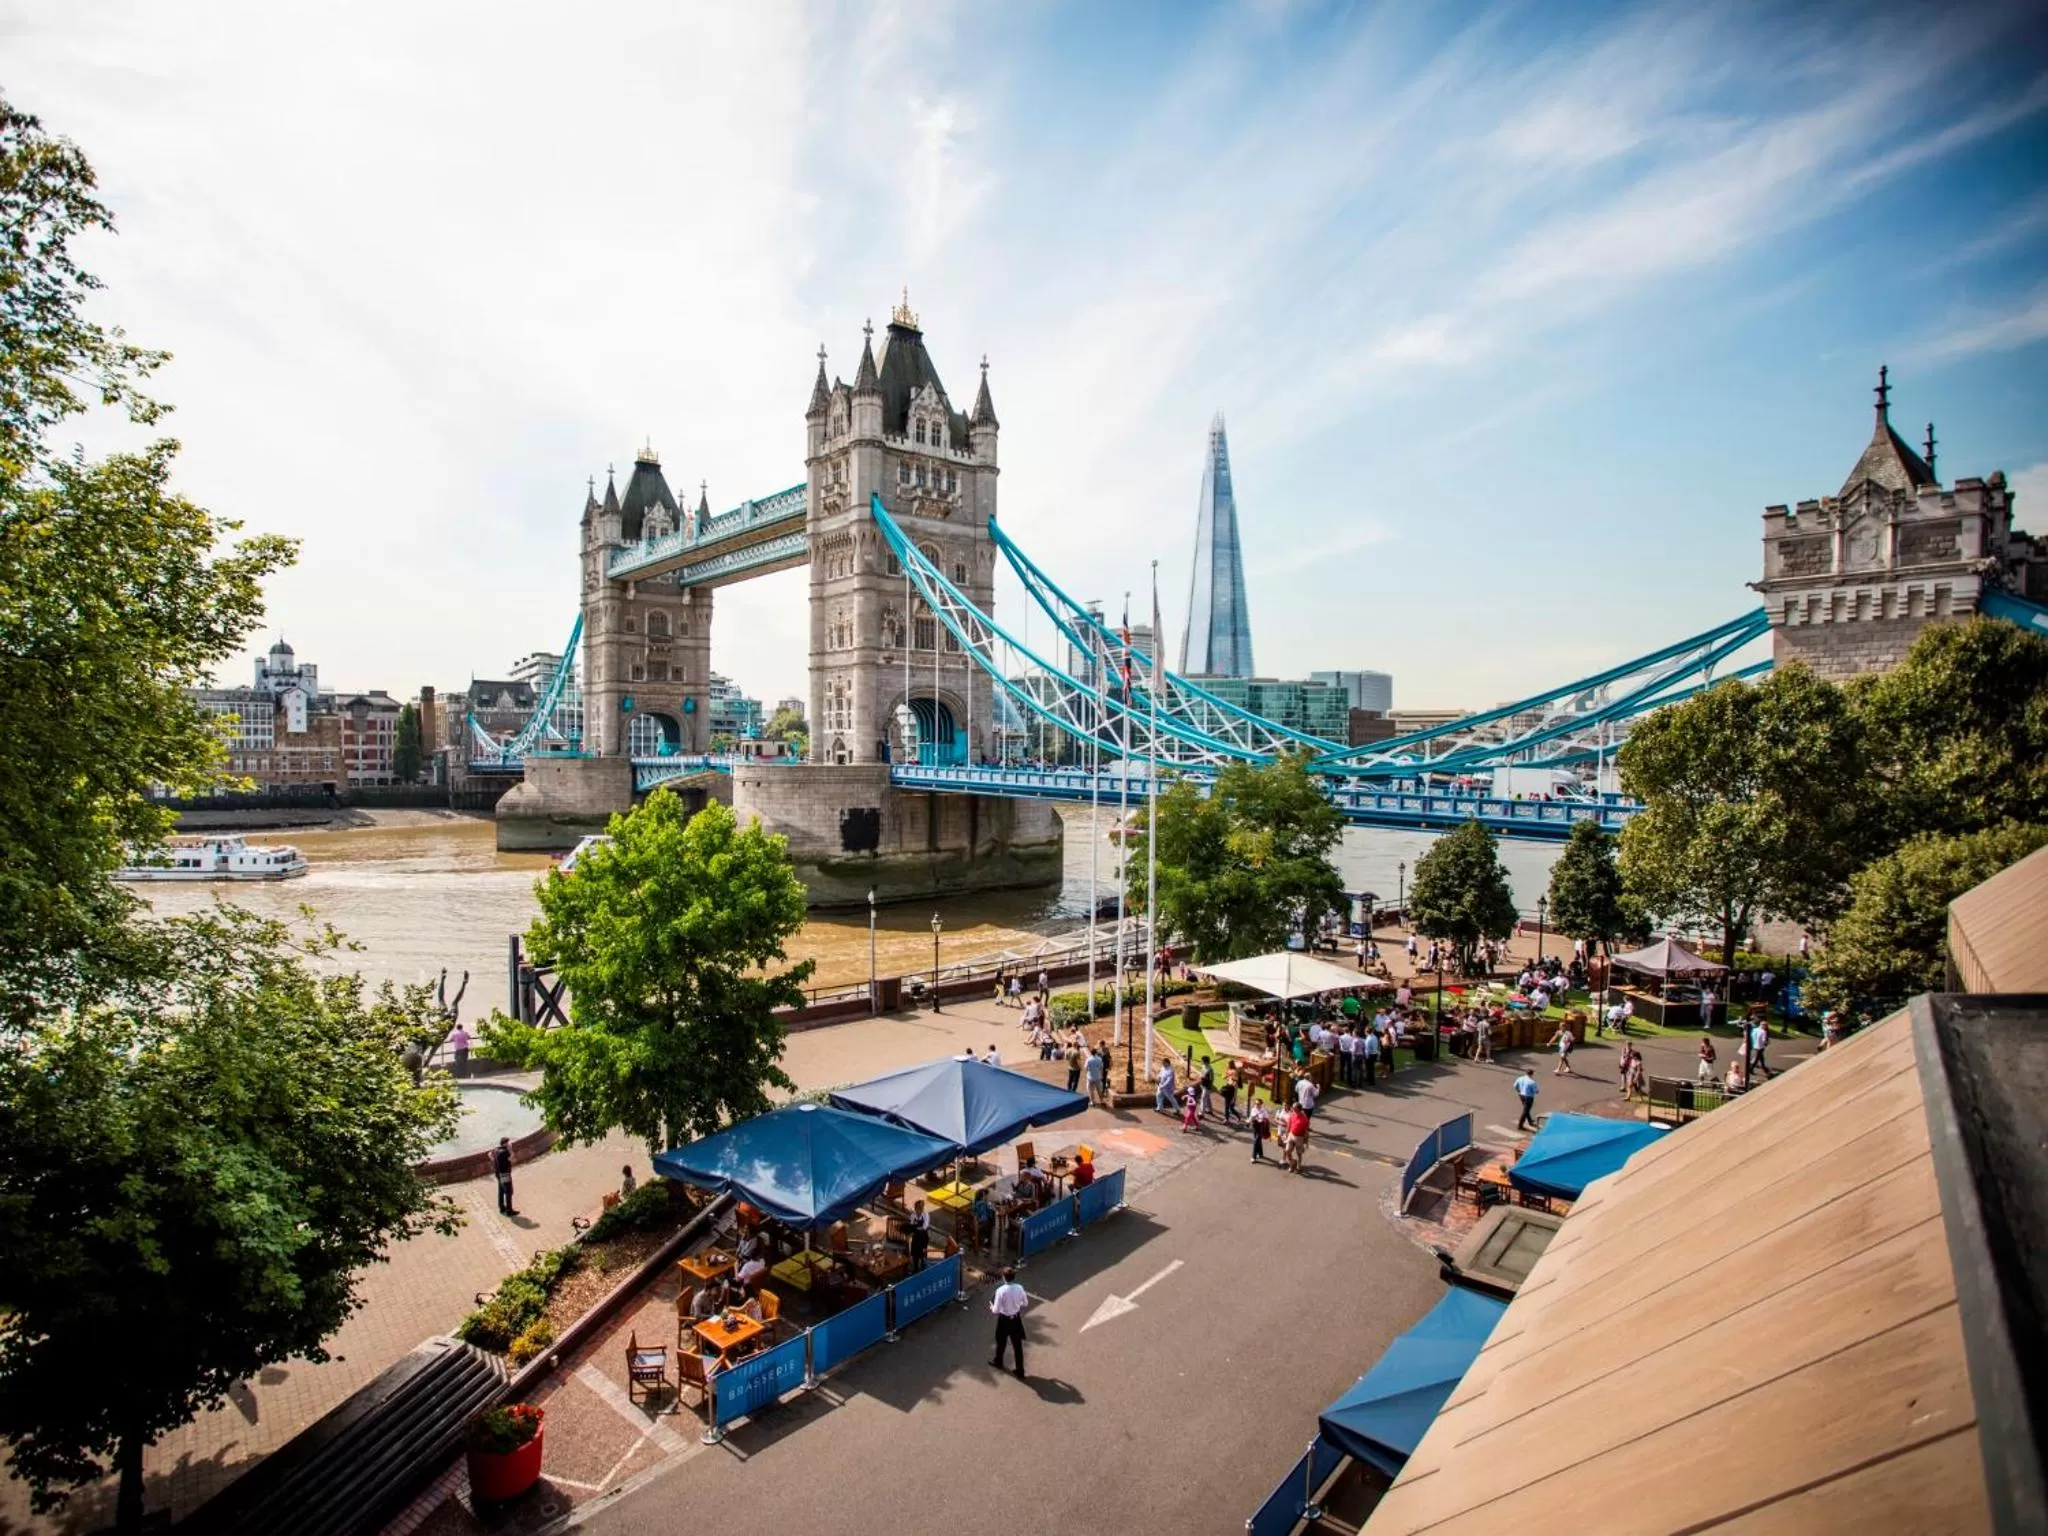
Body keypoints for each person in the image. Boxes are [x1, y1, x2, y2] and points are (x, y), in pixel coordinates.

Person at [989, 1266, 1028, 1378]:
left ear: (1003, 1277)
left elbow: (996, 1310)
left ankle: (998, 1362)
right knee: (1017, 1346)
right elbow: (1025, 1303)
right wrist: (1016, 1305)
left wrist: (991, 1306)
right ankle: (1020, 1370)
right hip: (1016, 1319)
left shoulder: (1000, 1291)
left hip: (1004, 1320)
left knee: (1001, 1343)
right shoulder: (1020, 1288)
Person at [490, 1135, 517, 1216]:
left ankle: (501, 1208)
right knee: (509, 1192)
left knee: (501, 1191)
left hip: (498, 1174)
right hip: (505, 1174)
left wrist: (494, 1161)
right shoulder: (505, 1152)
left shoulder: (496, 1149)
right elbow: (513, 1160)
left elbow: (489, 1154)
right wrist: (510, 1150)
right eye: (508, 1143)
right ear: (505, 1143)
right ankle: (509, 1211)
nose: (510, 1144)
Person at [1283, 1103, 1310, 1173]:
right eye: (1292, 1107)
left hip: (1299, 1137)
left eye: (1294, 1108)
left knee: (1299, 1153)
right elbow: (1289, 1125)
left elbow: (1306, 1131)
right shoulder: (1292, 1115)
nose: (1292, 1108)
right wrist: (1286, 1135)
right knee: (1287, 1150)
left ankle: (1299, 1167)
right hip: (1291, 1135)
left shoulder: (1304, 1119)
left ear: (1298, 1109)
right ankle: (1292, 1162)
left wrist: (1306, 1142)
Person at [908, 1200, 931, 1274]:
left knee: (922, 1252)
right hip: (916, 1236)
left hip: (923, 1236)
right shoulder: (913, 1215)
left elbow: (925, 1226)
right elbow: (911, 1224)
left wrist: (917, 1228)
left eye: (920, 1209)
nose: (918, 1211)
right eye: (917, 1209)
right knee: (914, 1252)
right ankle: (915, 1268)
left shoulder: (925, 1215)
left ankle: (923, 1265)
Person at [1248, 1099, 1272, 1163]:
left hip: (1261, 1126)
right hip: (1255, 1125)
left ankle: (1253, 1157)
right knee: (1258, 1140)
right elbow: (1252, 1117)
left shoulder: (1263, 1111)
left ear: (1261, 1104)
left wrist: (1263, 1119)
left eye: (1258, 1104)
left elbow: (1267, 1118)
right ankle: (1260, 1153)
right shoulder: (1253, 1109)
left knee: (1256, 1141)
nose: (1256, 1105)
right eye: (1256, 1103)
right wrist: (1250, 1121)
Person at [1749, 1015, 1773, 1080]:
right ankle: (1752, 1069)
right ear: (1764, 1026)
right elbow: (1764, 1041)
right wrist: (1766, 1043)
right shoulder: (1763, 1032)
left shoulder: (1755, 1029)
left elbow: (1752, 1035)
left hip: (1755, 1045)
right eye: (1766, 1026)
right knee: (1757, 1058)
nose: (1766, 1027)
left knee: (1760, 1058)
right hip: (1760, 1046)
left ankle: (1765, 1070)